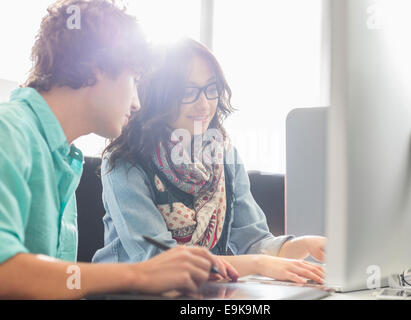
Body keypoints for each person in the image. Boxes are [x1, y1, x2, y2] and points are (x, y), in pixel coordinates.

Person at [0, 0, 237, 300]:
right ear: (96, 66)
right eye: (134, 80)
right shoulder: (9, 130)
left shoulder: (61, 156)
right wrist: (141, 273)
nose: (138, 102)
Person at [93, 37, 327, 285]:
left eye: (211, 88)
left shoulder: (225, 155)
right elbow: (164, 262)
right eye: (188, 91)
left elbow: (253, 242)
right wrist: (260, 264)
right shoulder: (123, 163)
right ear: (158, 94)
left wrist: (304, 245)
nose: (204, 104)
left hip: (204, 292)